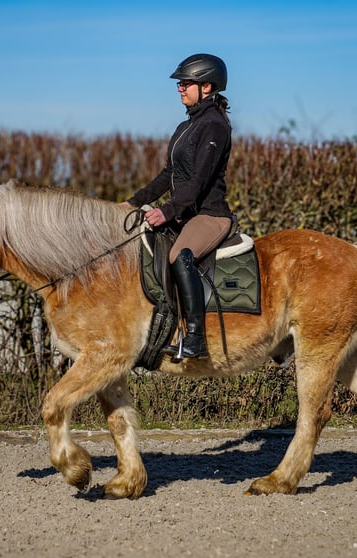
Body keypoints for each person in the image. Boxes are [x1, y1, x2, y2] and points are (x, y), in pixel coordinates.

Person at [122, 53, 235, 360]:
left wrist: (167, 211)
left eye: (186, 83)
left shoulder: (214, 126)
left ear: (207, 87)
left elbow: (198, 182)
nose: (180, 88)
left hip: (208, 215)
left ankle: (196, 339)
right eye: (180, 84)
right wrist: (134, 202)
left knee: (178, 254)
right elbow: (169, 175)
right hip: (186, 213)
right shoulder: (187, 126)